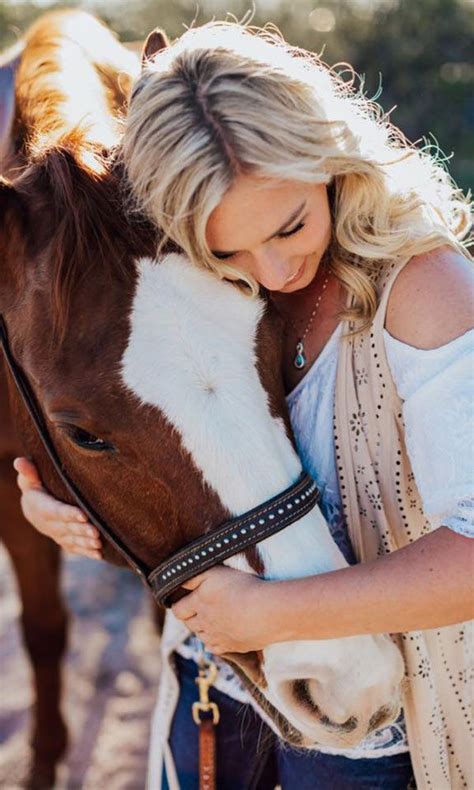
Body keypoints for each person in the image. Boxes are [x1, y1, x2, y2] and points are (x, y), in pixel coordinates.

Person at [14, 20, 473, 790]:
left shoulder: (426, 292)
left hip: (369, 731)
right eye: (225, 248)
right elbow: (177, 451)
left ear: (330, 157)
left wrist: (267, 616)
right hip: (209, 693)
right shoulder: (203, 290)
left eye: (291, 223)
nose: (276, 268)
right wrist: (61, 506)